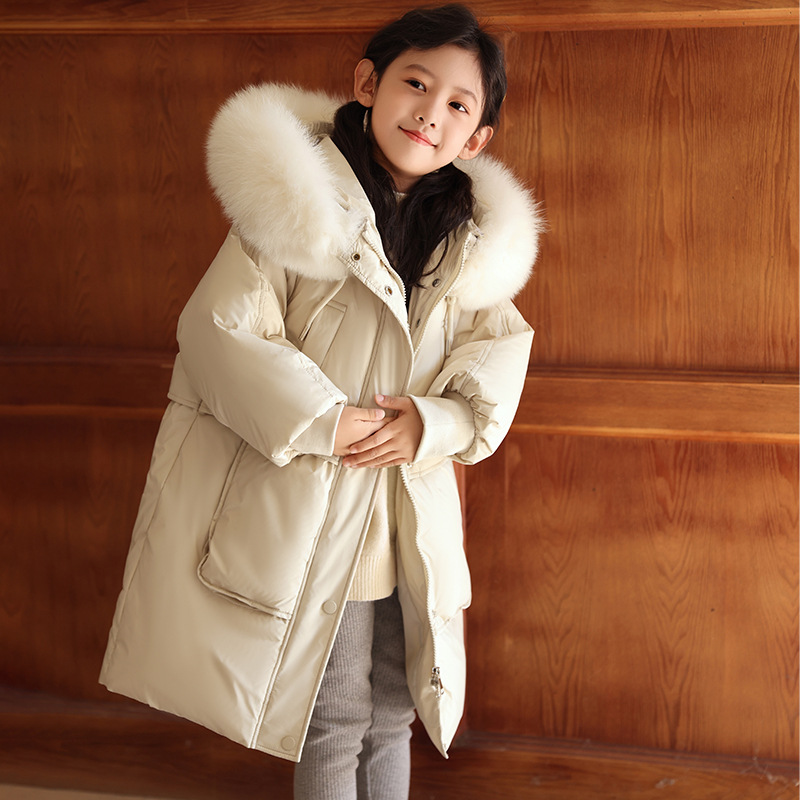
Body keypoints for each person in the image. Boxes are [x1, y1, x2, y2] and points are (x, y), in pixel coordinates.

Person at [100, 5, 543, 799]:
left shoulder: (469, 241)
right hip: (315, 512)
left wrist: (434, 422)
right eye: (416, 84)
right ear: (367, 84)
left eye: (457, 104)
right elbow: (219, 329)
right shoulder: (296, 207)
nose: (430, 113)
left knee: (394, 712)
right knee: (333, 716)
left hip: (407, 519)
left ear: (476, 140)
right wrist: (323, 420)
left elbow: (496, 354)